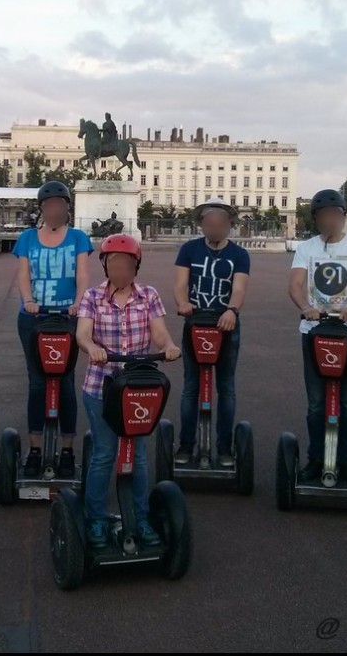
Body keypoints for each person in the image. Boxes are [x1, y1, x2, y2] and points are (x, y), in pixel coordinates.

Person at [76, 234, 181, 549]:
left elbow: (159, 333)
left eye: (126, 263)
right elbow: (82, 333)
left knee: (137, 456)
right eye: (114, 263)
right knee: (105, 453)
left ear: (136, 266)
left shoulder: (148, 295)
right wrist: (92, 347)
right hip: (101, 387)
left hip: (137, 387)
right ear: (105, 265)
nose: (120, 268)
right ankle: (96, 520)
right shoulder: (92, 297)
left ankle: (141, 518)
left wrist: (169, 346)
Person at [288, 189, 347, 485]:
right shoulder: (307, 248)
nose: (329, 221)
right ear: (315, 219)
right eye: (323, 216)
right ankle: (316, 459)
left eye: (334, 215)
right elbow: (296, 284)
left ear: (343, 216)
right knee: (316, 404)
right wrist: (305, 307)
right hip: (314, 331)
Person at [13, 180, 92, 477]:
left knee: (66, 383)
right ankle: (35, 448)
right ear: (42, 208)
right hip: (33, 319)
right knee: (37, 383)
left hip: (67, 318)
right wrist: (29, 300)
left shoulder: (78, 238)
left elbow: (83, 275)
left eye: (60, 205)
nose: (54, 209)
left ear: (67, 208)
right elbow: (23, 275)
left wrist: (79, 302)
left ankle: (68, 449)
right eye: (49, 205)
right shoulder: (28, 238)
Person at [172, 197, 250, 467]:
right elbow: (181, 284)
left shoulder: (239, 255)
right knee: (191, 387)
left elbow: (238, 288)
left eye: (221, 224)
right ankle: (185, 445)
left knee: (226, 388)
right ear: (202, 225)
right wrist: (183, 303)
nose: (215, 229)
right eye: (210, 224)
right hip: (196, 324)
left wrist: (232, 310)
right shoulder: (189, 250)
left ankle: (224, 448)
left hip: (226, 325)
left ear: (230, 226)